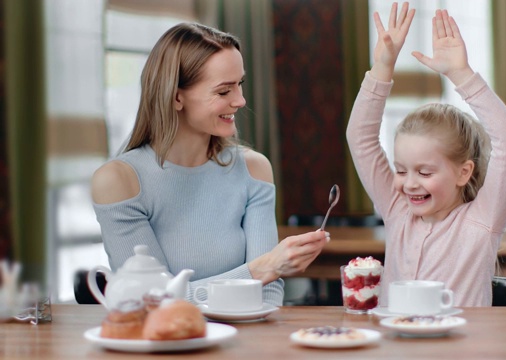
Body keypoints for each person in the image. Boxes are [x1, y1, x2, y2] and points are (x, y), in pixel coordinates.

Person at [91, 23, 330, 306]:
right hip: (166, 346)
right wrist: (260, 270)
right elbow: (150, 302)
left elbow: (268, 295)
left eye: (239, 84)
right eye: (223, 91)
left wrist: (265, 276)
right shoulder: (119, 181)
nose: (240, 101)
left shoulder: (254, 170)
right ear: (176, 96)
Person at [346, 3, 506, 306]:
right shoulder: (396, 210)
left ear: (463, 172)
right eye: (401, 170)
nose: (409, 183)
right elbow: (359, 137)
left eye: (425, 172)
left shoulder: (481, 222)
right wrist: (383, 67)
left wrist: (461, 74)